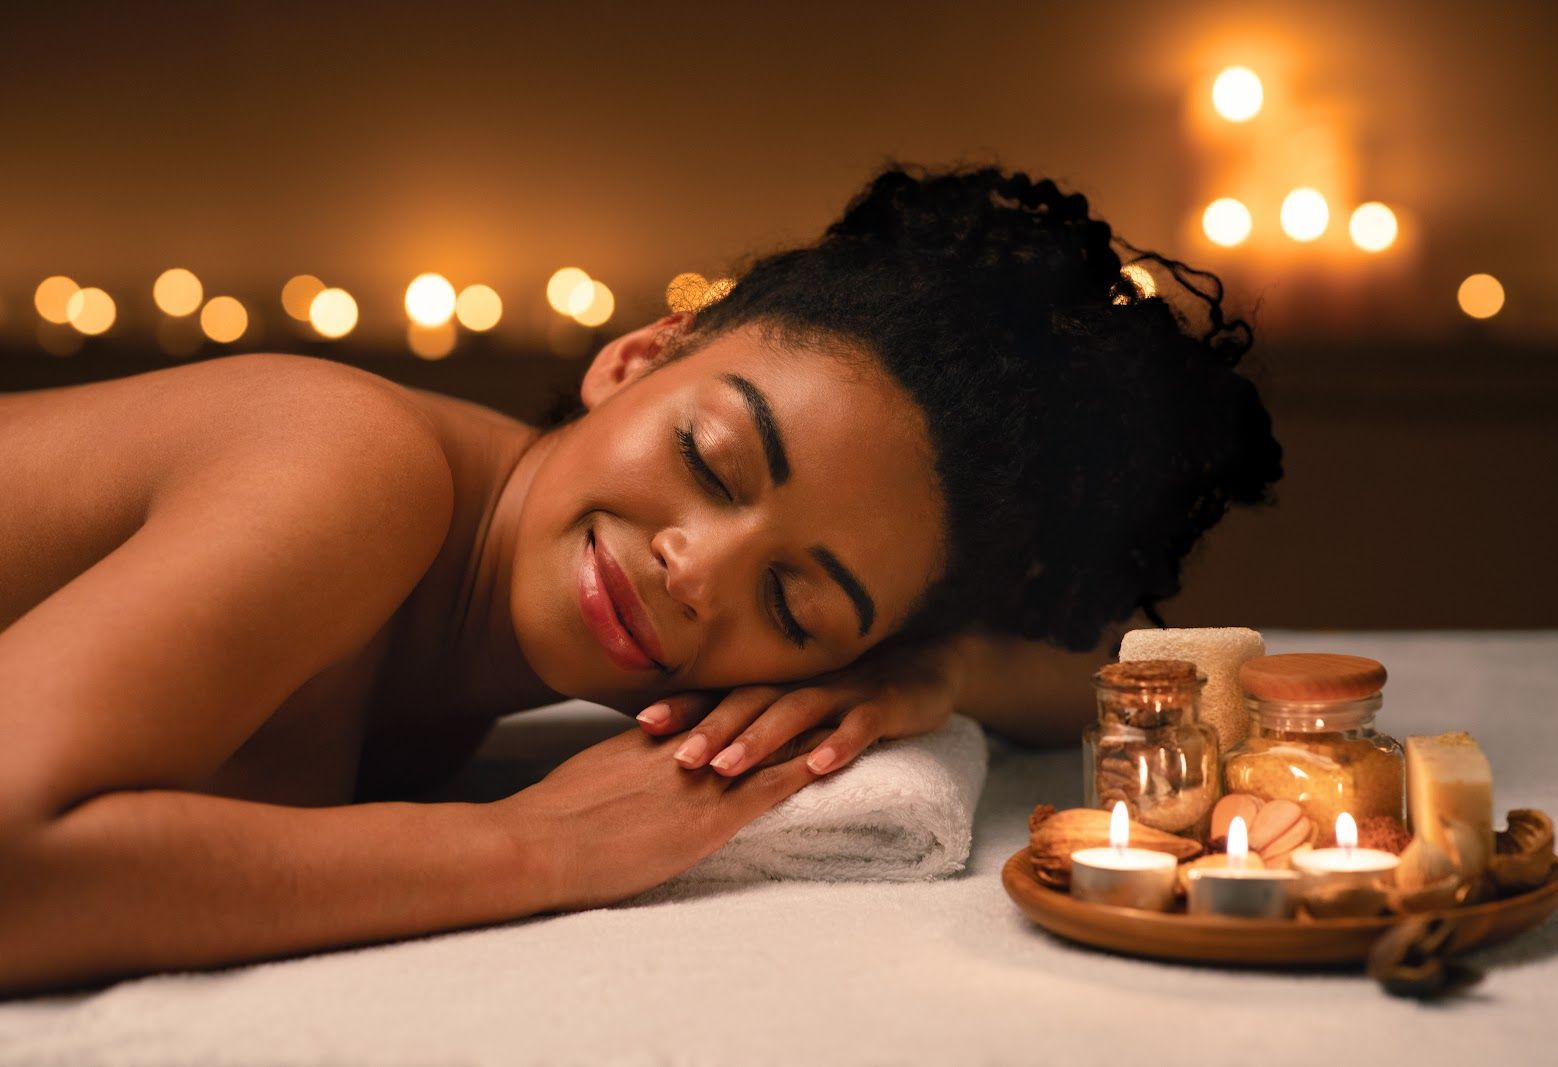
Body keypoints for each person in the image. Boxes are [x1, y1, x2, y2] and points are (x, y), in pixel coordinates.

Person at [0, 160, 1282, 995]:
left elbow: (1091, 670)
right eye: (710, 459)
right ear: (639, 354)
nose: (696, 571)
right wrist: (520, 848)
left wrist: (922, 669)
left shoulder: (663, 638)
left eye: (797, 600)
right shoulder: (354, 464)